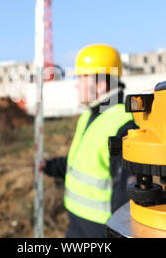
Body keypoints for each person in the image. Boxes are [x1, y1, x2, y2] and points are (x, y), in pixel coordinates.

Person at [40, 43, 138, 238]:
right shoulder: (89, 117)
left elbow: (126, 199)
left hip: (100, 231)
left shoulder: (124, 126)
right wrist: (49, 166)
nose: (76, 84)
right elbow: (80, 164)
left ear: (101, 84)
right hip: (77, 225)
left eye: (82, 78)